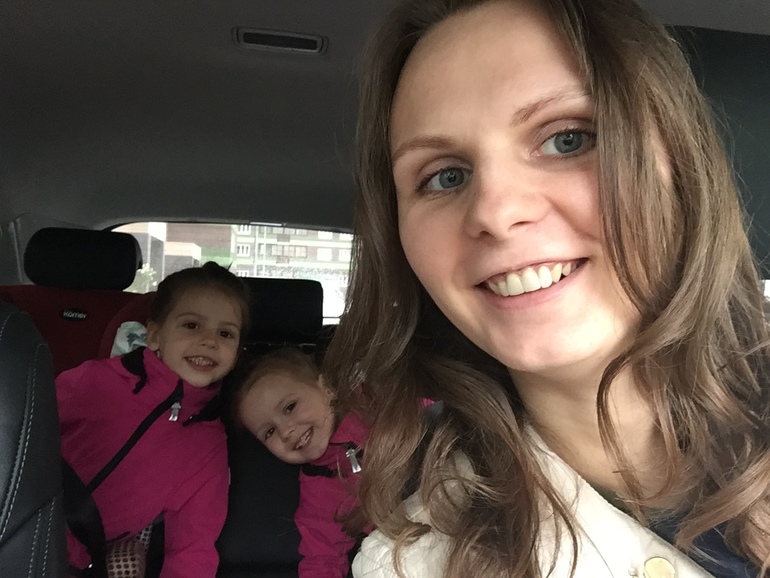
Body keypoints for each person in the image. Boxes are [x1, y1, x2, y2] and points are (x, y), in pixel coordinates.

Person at [321, 0, 770, 577]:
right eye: (445, 176)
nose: (495, 211)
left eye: (567, 140)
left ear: (681, 165)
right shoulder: (409, 566)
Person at [58, 262, 251, 577]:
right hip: (17, 520)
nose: (210, 341)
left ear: (237, 354)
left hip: (75, 563)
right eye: (192, 325)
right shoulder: (97, 381)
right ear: (155, 336)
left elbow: (193, 548)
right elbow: (21, 431)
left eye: (225, 333)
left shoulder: (209, 446)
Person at [232, 347, 368, 578]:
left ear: (326, 388)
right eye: (269, 432)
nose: (286, 431)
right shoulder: (318, 488)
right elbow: (322, 556)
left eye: (290, 407)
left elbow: (426, 406)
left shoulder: (375, 402)